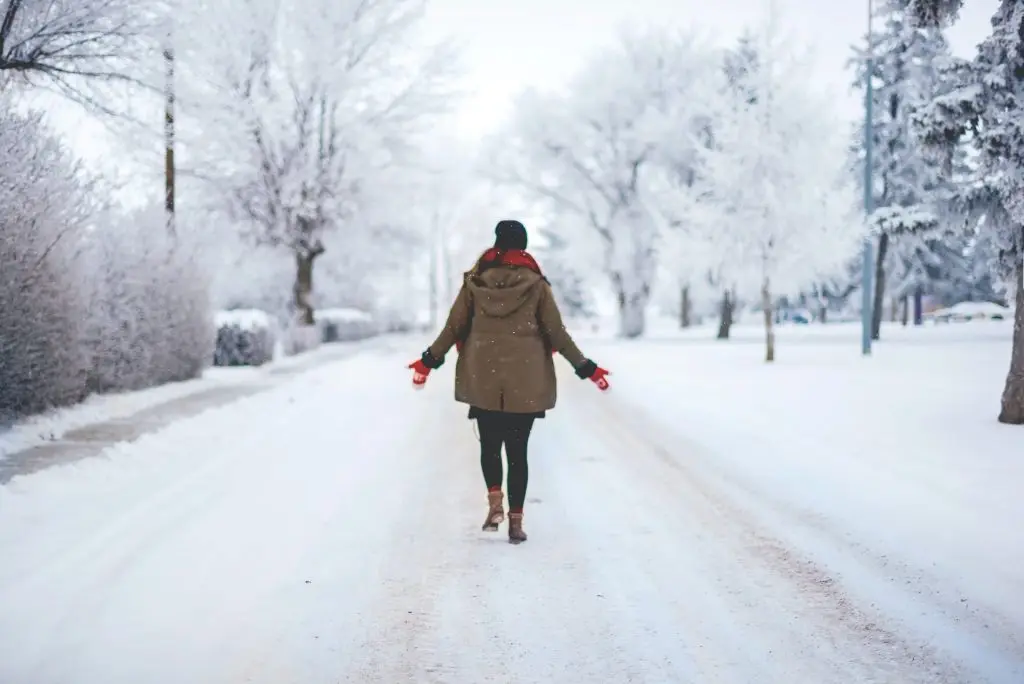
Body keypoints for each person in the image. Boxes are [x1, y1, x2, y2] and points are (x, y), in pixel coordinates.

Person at [408, 219, 609, 544]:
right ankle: (516, 524)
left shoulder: (475, 282)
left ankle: (495, 504)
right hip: (525, 380)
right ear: (524, 246)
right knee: (518, 453)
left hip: (482, 375)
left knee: (489, 445)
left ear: (498, 244)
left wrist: (428, 361)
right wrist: (588, 369)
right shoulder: (537, 285)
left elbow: (453, 327)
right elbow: (557, 334)